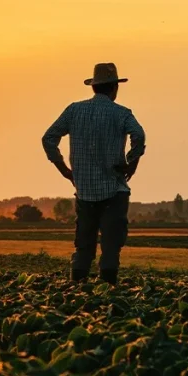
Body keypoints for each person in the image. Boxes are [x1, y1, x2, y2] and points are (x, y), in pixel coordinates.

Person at [41, 62, 146, 284]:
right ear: (114, 88)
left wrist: (64, 169)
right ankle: (108, 289)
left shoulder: (74, 110)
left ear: (94, 87)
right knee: (111, 246)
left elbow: (49, 138)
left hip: (85, 191)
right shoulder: (121, 113)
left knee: (84, 246)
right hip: (114, 190)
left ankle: (77, 289)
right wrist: (132, 162)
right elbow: (138, 135)